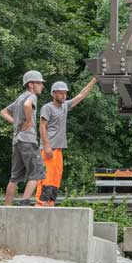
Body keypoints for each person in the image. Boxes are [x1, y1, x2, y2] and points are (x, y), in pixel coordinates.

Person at [36, 77, 98, 206]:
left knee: (56, 178)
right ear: (53, 93)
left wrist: (93, 81)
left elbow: (81, 95)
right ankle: (41, 203)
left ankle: (50, 202)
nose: (64, 95)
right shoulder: (47, 108)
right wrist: (46, 147)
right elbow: (42, 126)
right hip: (49, 148)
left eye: (65, 93)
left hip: (58, 149)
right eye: (60, 92)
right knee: (46, 178)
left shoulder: (65, 106)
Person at [0, 70, 46, 205]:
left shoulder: (19, 97)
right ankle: (24, 201)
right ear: (31, 84)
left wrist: (16, 123)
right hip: (28, 140)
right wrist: (29, 121)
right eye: (40, 83)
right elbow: (27, 106)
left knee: (14, 177)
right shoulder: (32, 96)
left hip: (17, 140)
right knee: (38, 172)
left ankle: (7, 207)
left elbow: (3, 112)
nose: (42, 86)